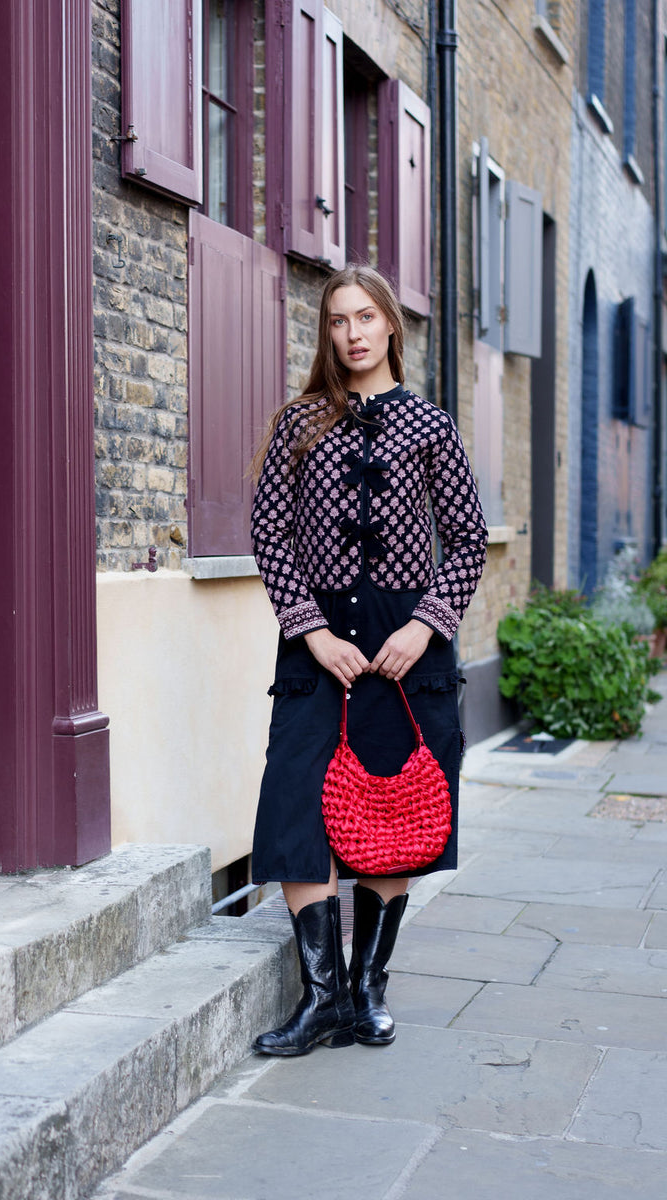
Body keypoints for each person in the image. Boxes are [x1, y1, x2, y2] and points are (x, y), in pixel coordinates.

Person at [249, 263, 488, 1057]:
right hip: (317, 639)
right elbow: (270, 536)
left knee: (398, 816)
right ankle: (321, 1001)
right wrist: (311, 630)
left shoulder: (431, 427)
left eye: (364, 317)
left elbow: (467, 542)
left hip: (402, 644)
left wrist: (425, 625)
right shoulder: (299, 424)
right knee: (293, 801)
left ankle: (366, 992)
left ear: (391, 325)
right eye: (336, 320)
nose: (351, 333)